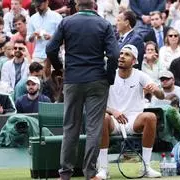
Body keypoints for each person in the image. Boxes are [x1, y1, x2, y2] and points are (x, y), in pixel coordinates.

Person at [45, 0, 120, 179]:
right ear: (94, 5)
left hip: (73, 80)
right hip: (97, 80)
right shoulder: (104, 24)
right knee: (94, 128)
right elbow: (114, 55)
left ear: (77, 5)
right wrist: (109, 78)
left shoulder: (66, 22)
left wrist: (60, 68)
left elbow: (50, 48)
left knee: (70, 128)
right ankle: (90, 173)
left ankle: (65, 173)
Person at [96, 44, 164, 179]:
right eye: (121, 54)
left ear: (134, 61)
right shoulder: (108, 75)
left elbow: (161, 95)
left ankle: (146, 167)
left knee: (150, 117)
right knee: (102, 117)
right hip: (112, 120)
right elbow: (97, 103)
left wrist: (156, 90)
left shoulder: (141, 76)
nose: (121, 56)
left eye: (126, 55)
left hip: (134, 120)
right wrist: (113, 111)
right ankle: (103, 169)